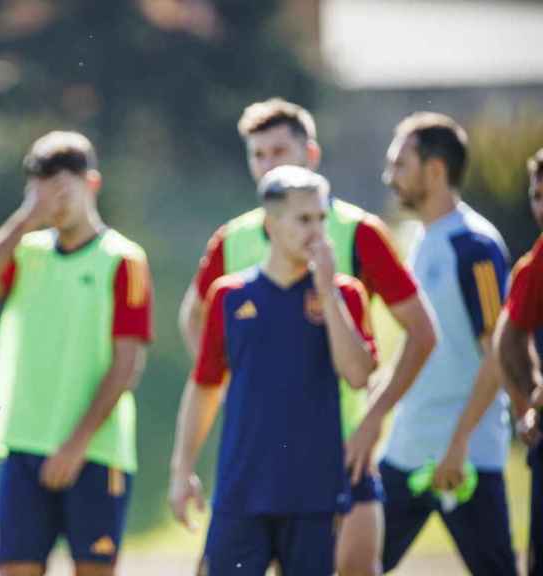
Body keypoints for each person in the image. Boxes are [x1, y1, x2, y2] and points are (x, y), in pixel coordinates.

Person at [177, 98, 436, 576]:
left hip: (336, 451)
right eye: (258, 155)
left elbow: (421, 334)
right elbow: (196, 323)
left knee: (357, 566)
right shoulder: (232, 240)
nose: (267, 164)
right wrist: (244, 388)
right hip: (253, 458)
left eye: (278, 151)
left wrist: (373, 419)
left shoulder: (358, 234)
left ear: (310, 154)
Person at [169, 165, 378, 575]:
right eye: (304, 219)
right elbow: (204, 388)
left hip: (314, 497)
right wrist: (182, 470)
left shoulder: (346, 295)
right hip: (242, 492)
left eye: (322, 219)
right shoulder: (229, 296)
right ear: (271, 223)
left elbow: (357, 374)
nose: (317, 230)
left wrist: (328, 294)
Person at [0, 131, 153, 576]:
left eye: (63, 189)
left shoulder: (123, 259)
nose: (54, 202)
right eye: (42, 189)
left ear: (91, 184)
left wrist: (76, 445)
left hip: (94, 452)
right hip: (23, 444)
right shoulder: (27, 251)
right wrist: (24, 219)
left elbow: (127, 365)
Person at [379, 112, 516, 575]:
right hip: (409, 448)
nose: (389, 176)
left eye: (400, 164)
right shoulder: (419, 239)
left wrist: (459, 443)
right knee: (354, 563)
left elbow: (498, 353)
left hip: (468, 458)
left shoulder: (475, 246)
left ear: (435, 170)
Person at [494, 147, 543, 576]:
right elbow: (506, 339)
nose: (541, 206)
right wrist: (527, 405)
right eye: (537, 195)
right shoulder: (535, 265)